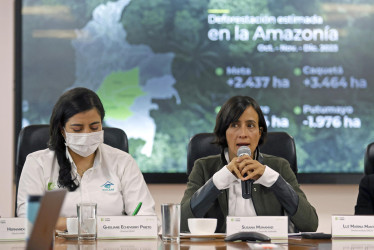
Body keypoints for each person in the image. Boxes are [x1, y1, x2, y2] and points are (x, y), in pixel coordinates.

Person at [17, 87, 157, 231]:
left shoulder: (123, 162)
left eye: (94, 127)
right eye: (77, 129)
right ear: (61, 129)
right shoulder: (37, 163)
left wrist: (62, 223)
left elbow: (146, 219)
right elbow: (28, 219)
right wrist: (90, 226)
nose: (87, 134)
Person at [181, 96, 318, 233]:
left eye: (250, 125)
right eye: (234, 125)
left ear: (259, 133)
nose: (243, 134)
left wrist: (272, 179)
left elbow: (310, 224)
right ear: (224, 132)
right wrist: (221, 179)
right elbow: (181, 225)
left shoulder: (279, 166)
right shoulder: (203, 167)